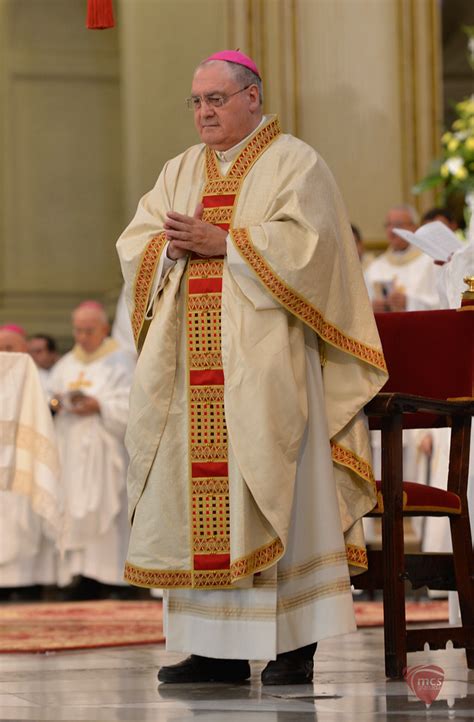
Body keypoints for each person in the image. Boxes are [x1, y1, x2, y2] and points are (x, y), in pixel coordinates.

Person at [117, 50, 387, 685]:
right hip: (192, 373)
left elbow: (315, 252)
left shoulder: (296, 162)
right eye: (197, 101)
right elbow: (139, 240)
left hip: (271, 371)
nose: (205, 112)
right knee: (201, 501)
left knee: (281, 490)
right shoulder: (179, 170)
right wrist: (167, 246)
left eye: (217, 98)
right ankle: (216, 649)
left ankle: (295, 644)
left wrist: (227, 242)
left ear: (252, 98)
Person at [48, 301, 135, 598]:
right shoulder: (66, 365)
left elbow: (134, 406)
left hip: (107, 451)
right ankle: (82, 575)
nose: (82, 337)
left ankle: (116, 579)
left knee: (110, 512)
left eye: (88, 330)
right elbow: (49, 400)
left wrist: (100, 405)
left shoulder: (121, 362)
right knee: (73, 507)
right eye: (78, 330)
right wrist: (59, 402)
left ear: (104, 328)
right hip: (71, 450)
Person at [365, 205, 440, 313]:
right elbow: (363, 305)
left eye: (398, 225)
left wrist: (409, 302)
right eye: (388, 225)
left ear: (414, 227)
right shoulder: (375, 267)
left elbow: (442, 303)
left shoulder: (431, 262)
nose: (391, 230)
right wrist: (372, 308)